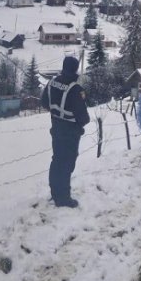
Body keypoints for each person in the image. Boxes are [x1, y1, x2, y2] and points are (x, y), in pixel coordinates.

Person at [40, 56, 90, 208]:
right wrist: (81, 121)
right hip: (70, 131)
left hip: (55, 126)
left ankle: (55, 193)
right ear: (75, 69)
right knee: (67, 163)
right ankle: (63, 198)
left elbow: (44, 102)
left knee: (57, 160)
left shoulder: (52, 82)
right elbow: (82, 115)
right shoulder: (75, 89)